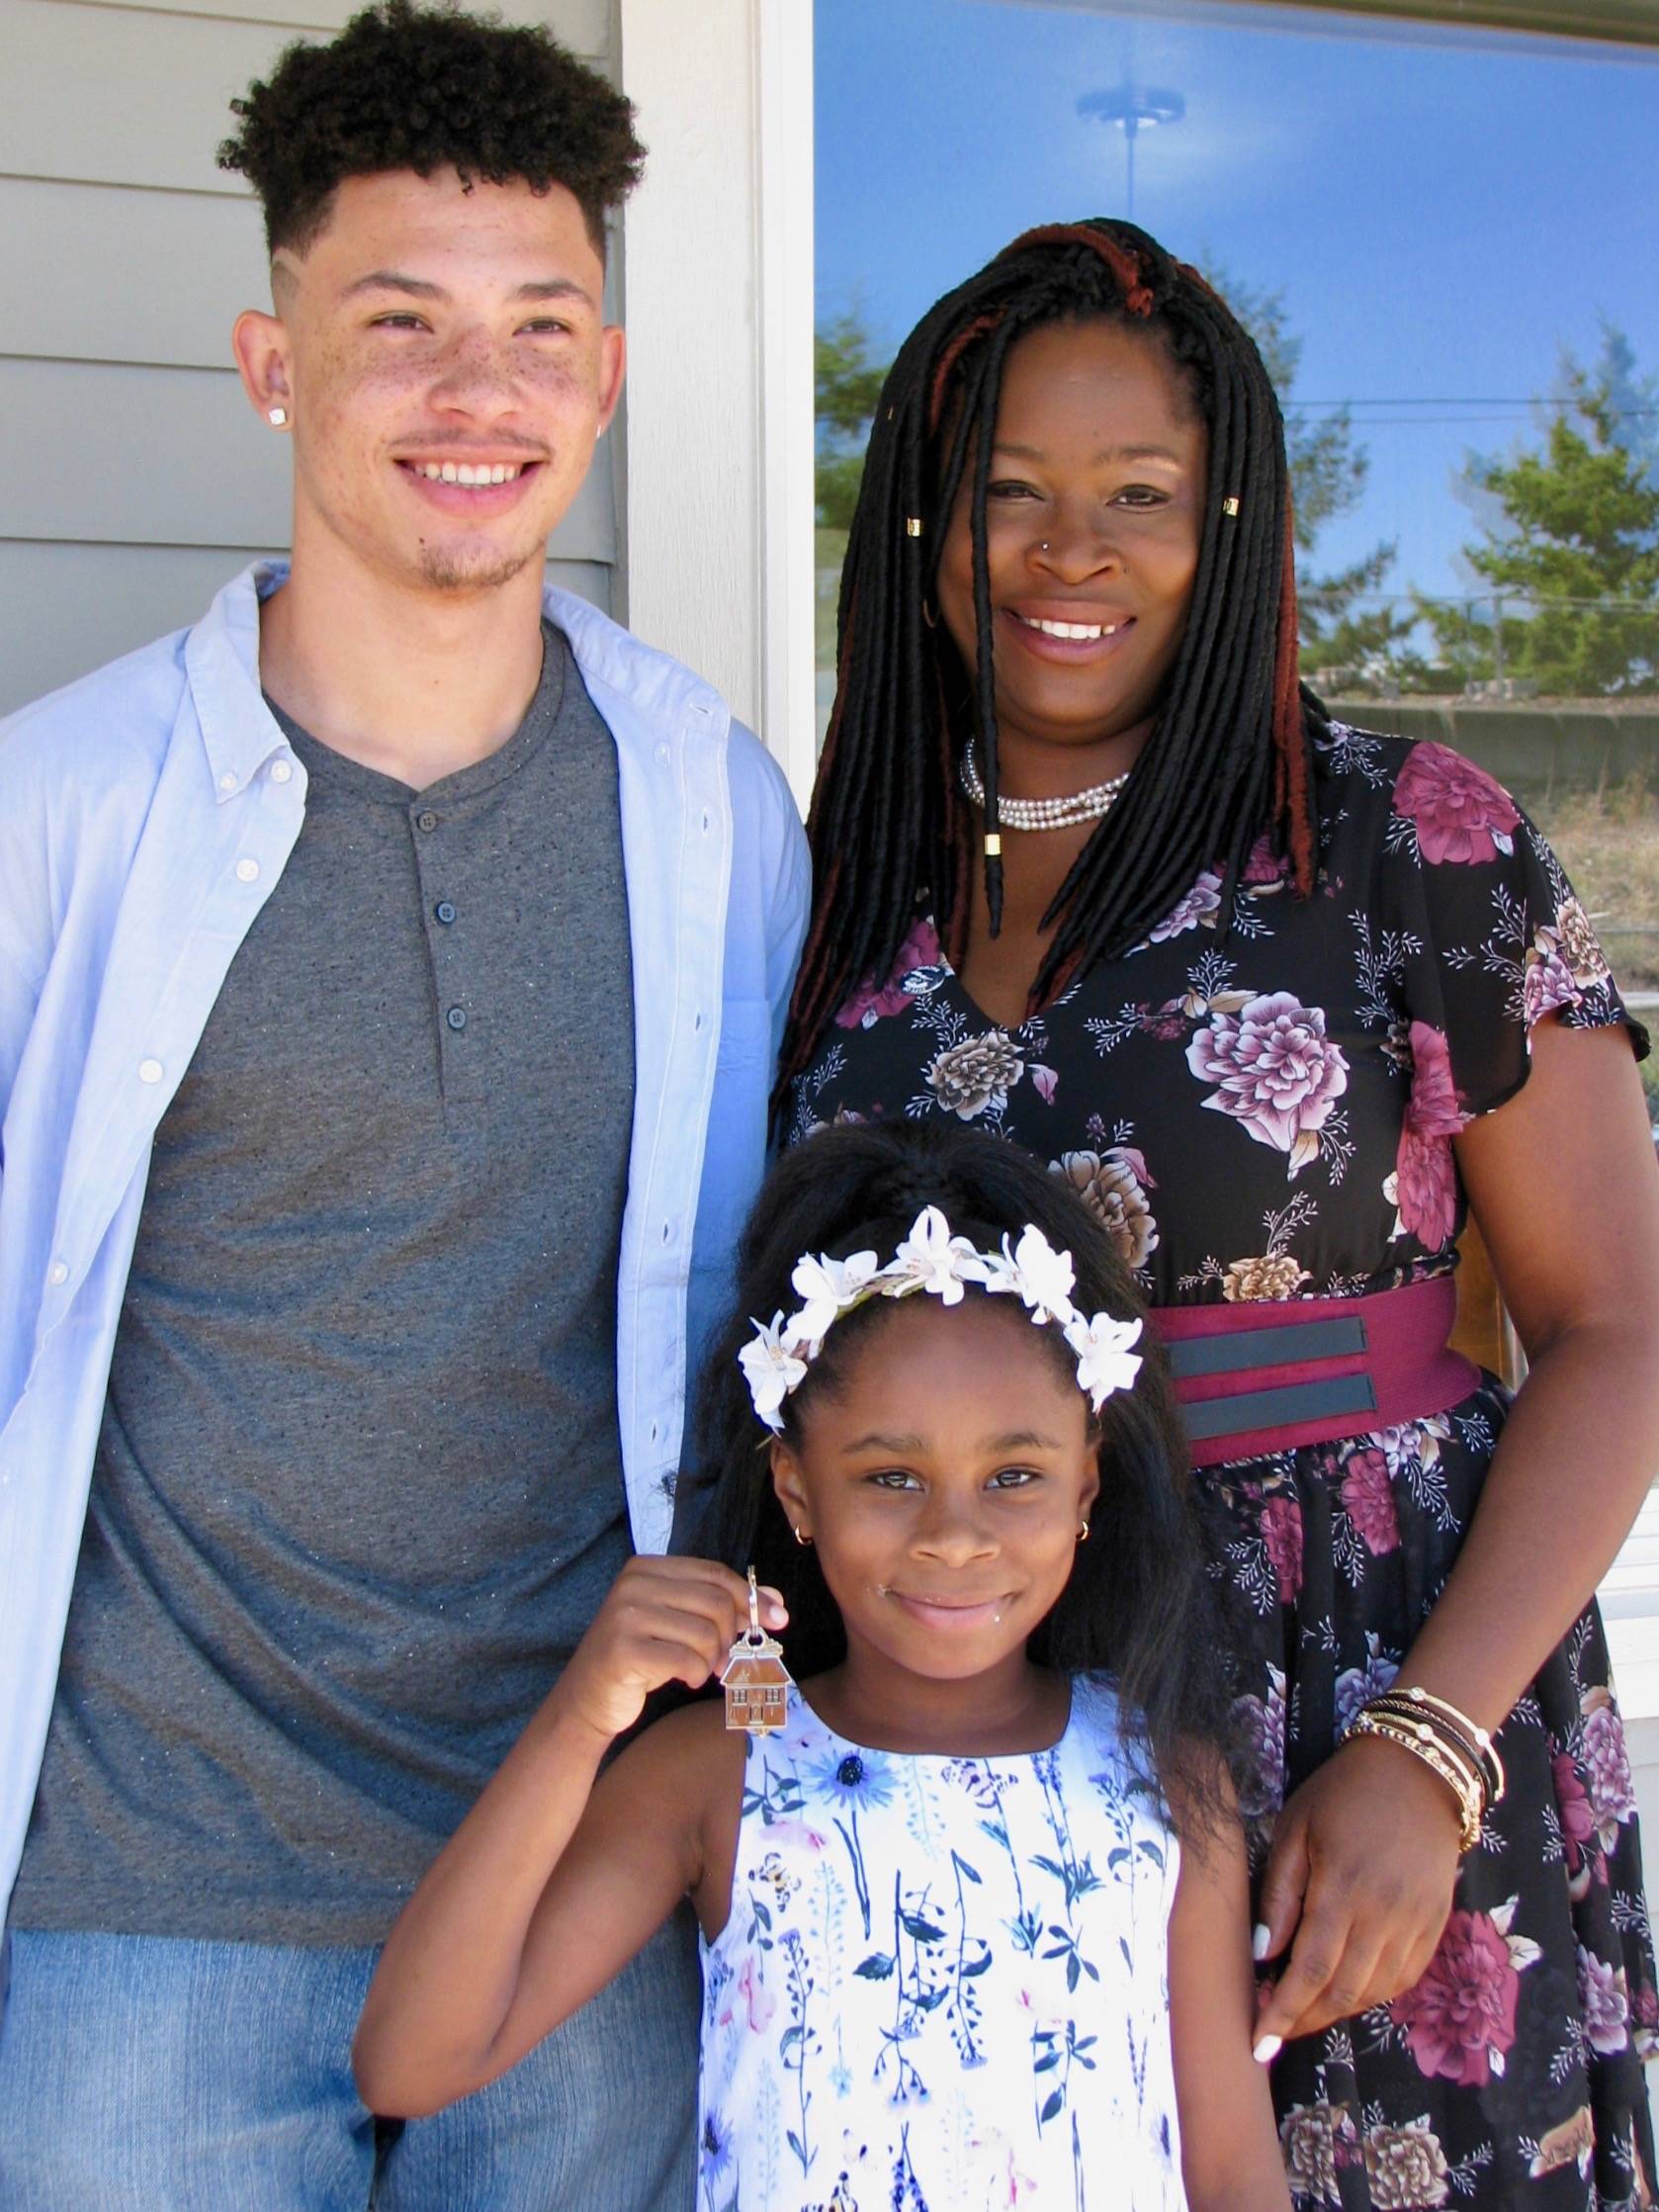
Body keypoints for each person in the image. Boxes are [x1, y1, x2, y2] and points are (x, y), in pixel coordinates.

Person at [0, 4, 808, 2204]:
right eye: (401, 322)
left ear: (610, 379)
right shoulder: (60, 809)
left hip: (572, 1876)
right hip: (143, 1893)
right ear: (271, 361)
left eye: (543, 326)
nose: (483, 394)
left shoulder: (708, 807)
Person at [778, 220, 1659, 2207]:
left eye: (1138, 496)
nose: (1063, 551)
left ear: (1234, 521)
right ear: (917, 524)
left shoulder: (1396, 837)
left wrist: (1427, 1750)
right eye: (1002, 490)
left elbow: (1617, 1323)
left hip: (1356, 1706)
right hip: (963, 1724)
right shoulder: (829, 888)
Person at [353, 1116, 1292, 2212]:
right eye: (891, 1477)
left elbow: (1231, 2168)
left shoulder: (1162, 1775)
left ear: (1088, 1486)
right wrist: (579, 1716)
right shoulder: (717, 1771)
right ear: (797, 1491)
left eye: (1015, 1475)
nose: (954, 1533)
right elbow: (410, 2061)